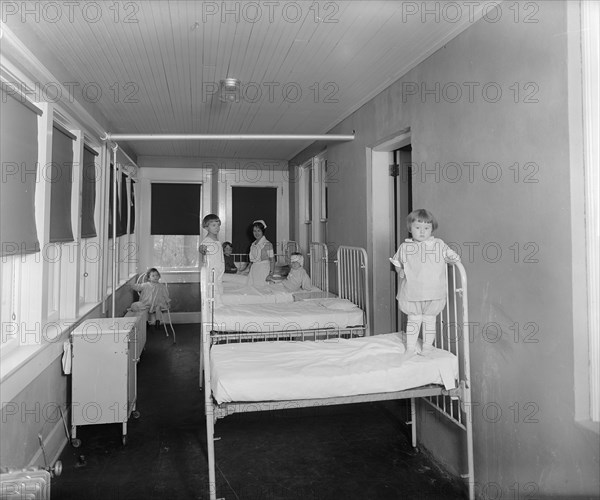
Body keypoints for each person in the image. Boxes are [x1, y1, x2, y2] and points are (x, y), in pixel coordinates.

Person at [390, 209, 460, 355]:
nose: (422, 232)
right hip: (413, 292)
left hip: (434, 292)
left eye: (426, 228)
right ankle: (410, 348)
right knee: (413, 319)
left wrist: (453, 257)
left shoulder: (439, 245)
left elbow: (452, 257)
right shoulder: (406, 247)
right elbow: (397, 262)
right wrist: (400, 271)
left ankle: (427, 347)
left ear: (431, 229)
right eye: (417, 228)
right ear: (410, 228)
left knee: (429, 320)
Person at [199, 214, 225, 304]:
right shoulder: (207, 241)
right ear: (206, 227)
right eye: (213, 225)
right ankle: (215, 309)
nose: (217, 227)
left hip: (219, 269)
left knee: (219, 289)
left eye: (218, 225)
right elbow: (202, 248)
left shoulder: (217, 241)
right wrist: (202, 249)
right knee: (214, 290)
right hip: (212, 270)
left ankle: (218, 308)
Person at [243, 220, 275, 286]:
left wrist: (271, 274)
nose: (256, 233)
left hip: (263, 270)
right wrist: (245, 271)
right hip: (254, 270)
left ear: (262, 231)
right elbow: (252, 261)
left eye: (258, 231)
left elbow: (272, 260)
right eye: (254, 231)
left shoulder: (268, 244)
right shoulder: (253, 245)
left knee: (261, 290)